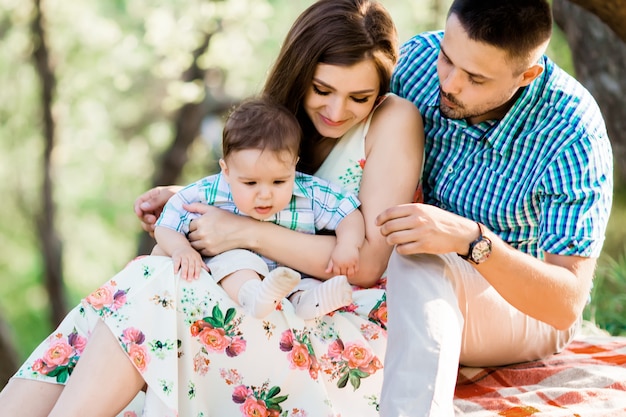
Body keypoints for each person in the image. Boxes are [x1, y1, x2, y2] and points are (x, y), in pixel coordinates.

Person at [0, 1, 423, 416]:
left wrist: (242, 230)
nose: (336, 111)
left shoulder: (392, 119)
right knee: (136, 289)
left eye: (359, 97)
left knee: (157, 291)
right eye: (322, 90)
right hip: (268, 299)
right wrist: (194, 203)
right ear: (300, 75)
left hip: (340, 322)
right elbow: (272, 199)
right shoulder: (281, 123)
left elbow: (365, 264)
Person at [375, 0, 613, 415]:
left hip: (519, 304)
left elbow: (564, 304)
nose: (448, 84)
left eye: (475, 79)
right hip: (401, 274)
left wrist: (471, 240)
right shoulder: (415, 64)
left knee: (420, 260)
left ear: (527, 75)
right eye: (447, 59)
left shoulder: (574, 133)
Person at [153, 97, 364, 320]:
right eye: (251, 183)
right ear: (226, 171)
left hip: (291, 276)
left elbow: (348, 213)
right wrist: (181, 249)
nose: (265, 195)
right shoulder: (208, 193)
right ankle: (254, 297)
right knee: (235, 263)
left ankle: (308, 301)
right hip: (238, 275)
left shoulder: (309, 191)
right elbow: (166, 225)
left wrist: (348, 244)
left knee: (306, 283)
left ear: (294, 164)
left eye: (279, 182)